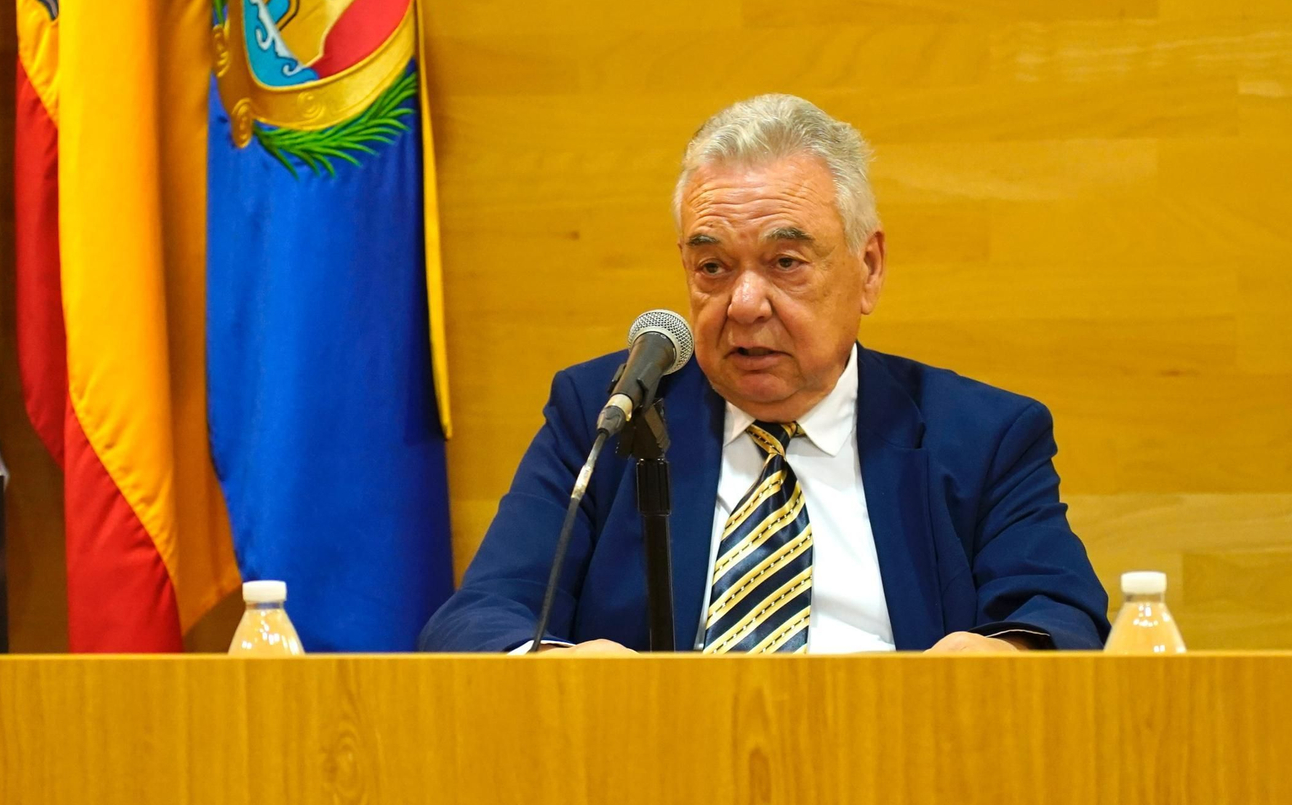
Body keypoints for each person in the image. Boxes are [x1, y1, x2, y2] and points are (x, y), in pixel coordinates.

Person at [420, 94, 1108, 655]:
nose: (744, 304)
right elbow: (477, 619)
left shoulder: (981, 435)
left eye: (785, 263)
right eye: (713, 267)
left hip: (899, 775)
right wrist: (558, 665)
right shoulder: (613, 414)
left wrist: (1007, 654)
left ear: (867, 268)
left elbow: (1064, 616)